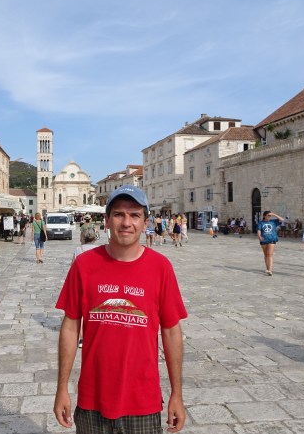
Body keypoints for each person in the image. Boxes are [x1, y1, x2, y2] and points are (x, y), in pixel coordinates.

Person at [54, 185, 187, 433]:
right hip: (92, 400)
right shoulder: (84, 265)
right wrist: (62, 388)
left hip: (143, 401)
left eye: (135, 215)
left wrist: (177, 394)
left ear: (145, 223)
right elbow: (70, 327)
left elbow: (171, 332)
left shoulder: (161, 268)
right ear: (106, 220)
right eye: (118, 214)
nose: (126, 222)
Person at [257, 210, 285, 276]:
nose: (269, 217)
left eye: (270, 216)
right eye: (268, 215)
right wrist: (259, 236)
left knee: (270, 254)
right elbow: (259, 230)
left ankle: (270, 270)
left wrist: (274, 214)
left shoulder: (273, 221)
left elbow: (282, 220)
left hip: (272, 240)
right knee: (266, 255)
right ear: (264, 216)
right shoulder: (261, 223)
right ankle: (267, 268)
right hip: (264, 240)